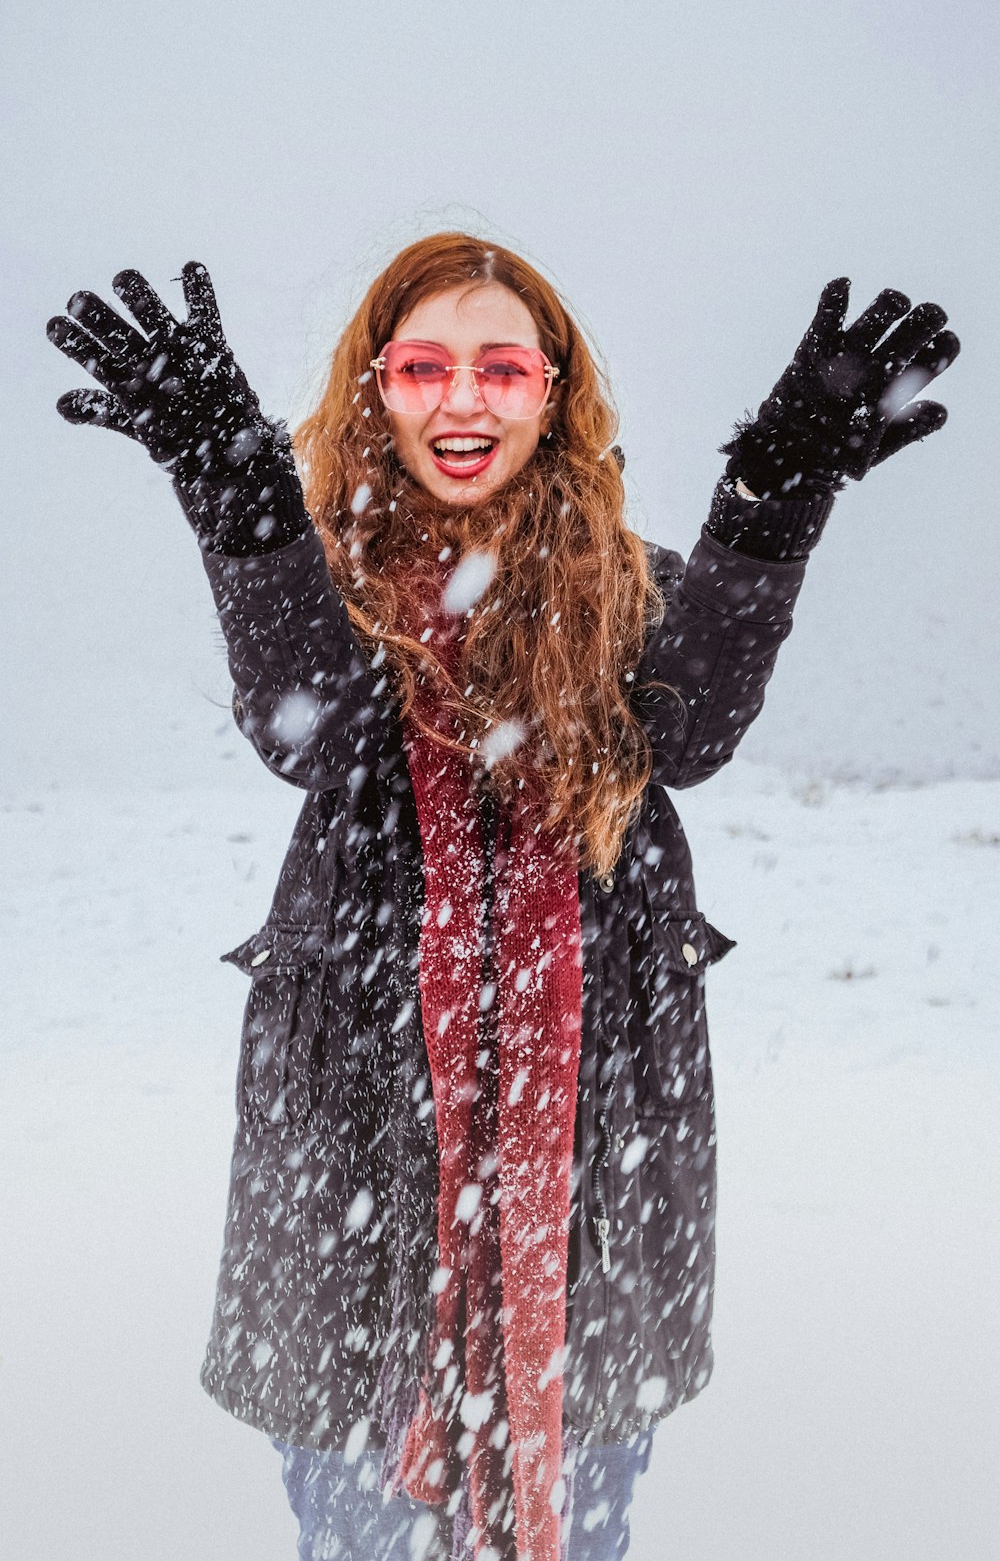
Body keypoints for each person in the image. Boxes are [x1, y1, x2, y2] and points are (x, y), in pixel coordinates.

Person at [47, 236, 959, 1561]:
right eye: (422, 365)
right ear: (376, 388)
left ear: (553, 390)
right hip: (360, 1179)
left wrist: (775, 490)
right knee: (356, 1528)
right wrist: (232, 477)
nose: (462, 399)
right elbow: (318, 730)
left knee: (579, 1517)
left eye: (500, 366)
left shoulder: (625, 587)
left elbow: (688, 732)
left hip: (590, 1179)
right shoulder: (336, 582)